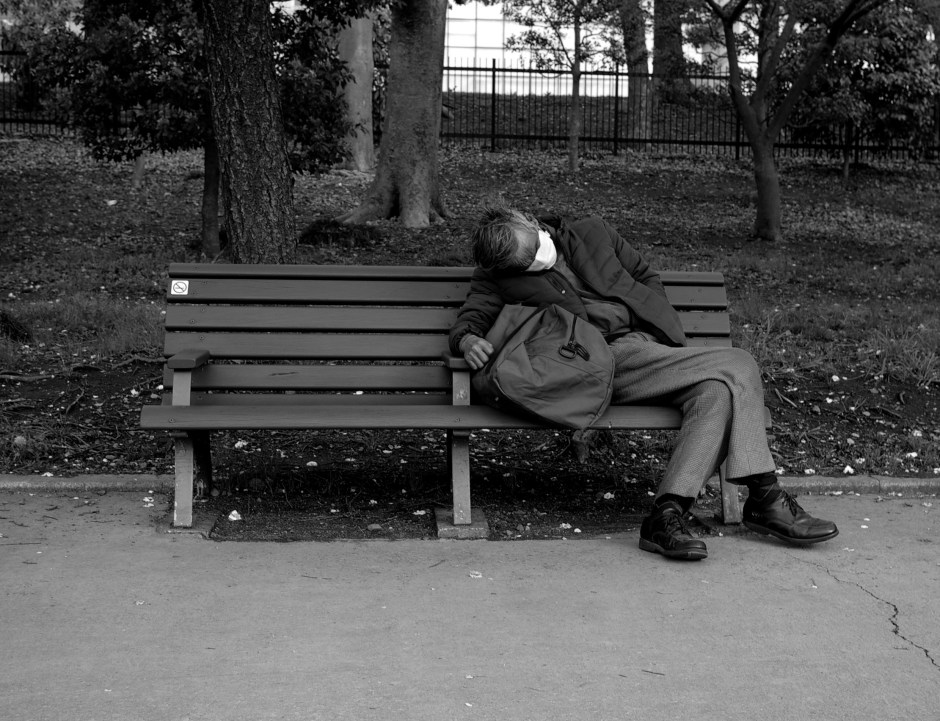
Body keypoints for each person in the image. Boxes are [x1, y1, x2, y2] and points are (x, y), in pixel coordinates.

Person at [449, 202, 839, 561]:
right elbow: (472, 316)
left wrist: (651, 318)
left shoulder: (593, 230)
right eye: (526, 264)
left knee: (716, 392)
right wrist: (467, 340)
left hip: (648, 347)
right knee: (738, 363)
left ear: (531, 223)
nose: (537, 260)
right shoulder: (496, 274)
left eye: (534, 248)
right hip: (599, 360)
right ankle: (765, 495)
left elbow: (642, 274)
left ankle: (665, 516)